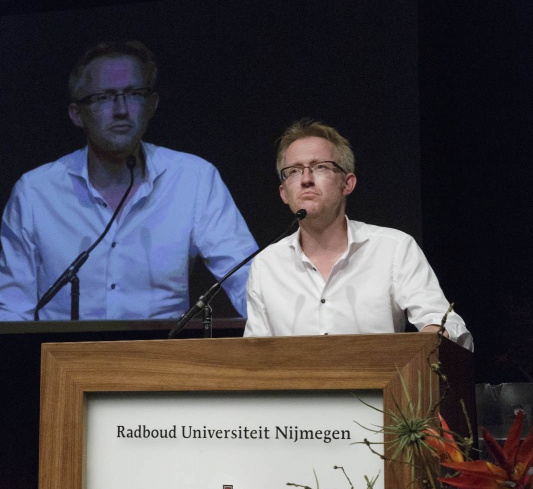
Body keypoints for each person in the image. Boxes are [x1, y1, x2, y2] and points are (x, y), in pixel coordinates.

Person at [0, 40, 257, 321]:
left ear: (152, 104)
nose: (121, 109)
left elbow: (248, 281)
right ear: (77, 114)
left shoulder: (194, 179)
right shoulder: (36, 192)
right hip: (65, 361)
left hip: (161, 359)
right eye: (104, 97)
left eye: (133, 94)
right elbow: (13, 310)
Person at [244, 120, 472, 349]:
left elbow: (447, 325)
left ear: (348, 183)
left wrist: (433, 335)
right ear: (284, 193)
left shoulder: (394, 248)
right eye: (293, 171)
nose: (305, 179)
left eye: (320, 167)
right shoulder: (266, 265)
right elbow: (253, 355)